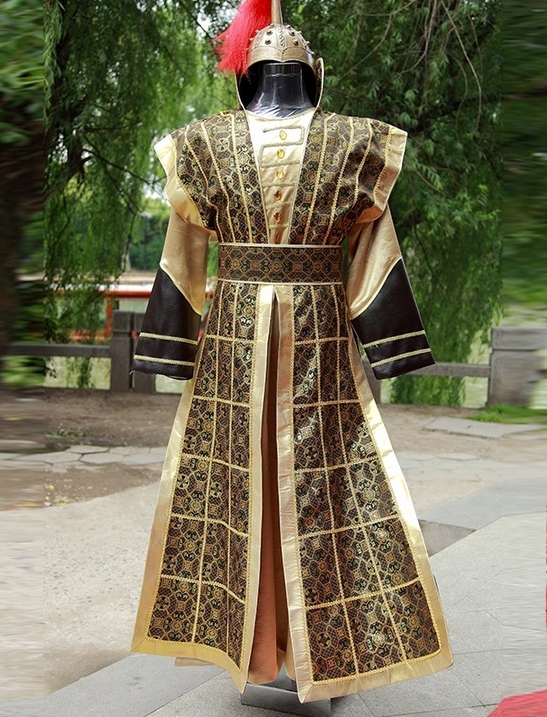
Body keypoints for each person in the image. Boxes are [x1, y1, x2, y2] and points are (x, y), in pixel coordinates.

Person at [130, 0, 452, 703]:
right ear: (316, 74)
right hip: (311, 334)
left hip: (246, 337)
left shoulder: (201, 145)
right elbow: (374, 261)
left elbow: (181, 260)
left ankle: (300, 653)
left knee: (285, 485)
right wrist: (391, 348)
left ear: (245, 75)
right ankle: (271, 651)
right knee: (301, 487)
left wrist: (170, 348)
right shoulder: (354, 143)